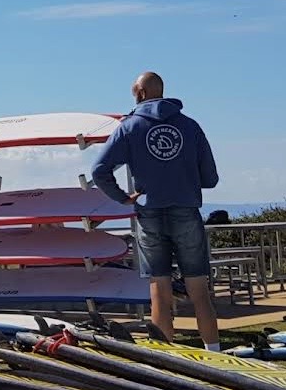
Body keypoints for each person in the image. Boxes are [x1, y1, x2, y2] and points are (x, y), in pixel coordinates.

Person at [91, 71, 221, 350]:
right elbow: (210, 178)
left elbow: (99, 170)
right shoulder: (190, 126)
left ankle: (164, 357)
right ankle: (215, 352)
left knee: (159, 290)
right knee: (199, 289)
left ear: (140, 94)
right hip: (186, 209)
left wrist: (123, 198)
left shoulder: (128, 127)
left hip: (149, 213)